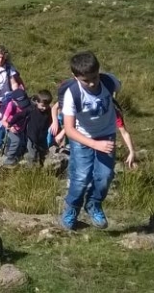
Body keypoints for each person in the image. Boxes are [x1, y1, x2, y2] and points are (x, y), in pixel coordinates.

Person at [59, 51, 122, 230]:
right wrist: (94, 144)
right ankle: (72, 209)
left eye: (95, 77)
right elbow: (69, 130)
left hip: (106, 134)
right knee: (80, 177)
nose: (92, 83)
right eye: (86, 80)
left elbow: (117, 90)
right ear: (75, 76)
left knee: (105, 175)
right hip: (82, 136)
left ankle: (93, 204)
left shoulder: (109, 81)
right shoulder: (72, 93)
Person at [0, 89, 33, 165]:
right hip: (11, 127)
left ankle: (19, 155)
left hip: (22, 128)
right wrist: (10, 127)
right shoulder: (11, 105)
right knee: (16, 141)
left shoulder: (28, 105)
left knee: (22, 142)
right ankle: (9, 158)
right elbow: (3, 121)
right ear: (13, 101)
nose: (22, 105)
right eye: (20, 103)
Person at [25, 90, 54, 166]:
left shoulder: (49, 111)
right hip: (32, 137)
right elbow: (21, 115)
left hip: (42, 137)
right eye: (43, 106)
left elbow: (51, 120)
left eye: (47, 105)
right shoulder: (32, 109)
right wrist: (11, 122)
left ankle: (41, 166)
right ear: (37, 102)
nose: (44, 108)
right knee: (32, 154)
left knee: (43, 152)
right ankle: (31, 170)